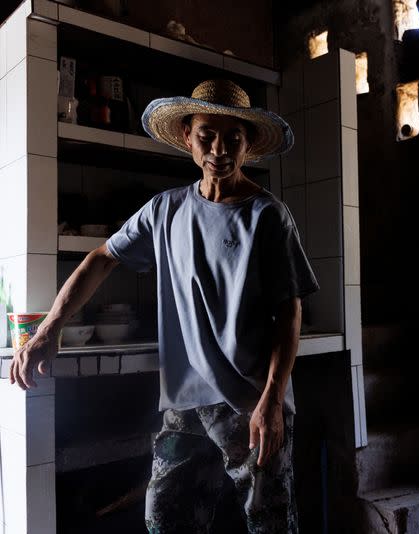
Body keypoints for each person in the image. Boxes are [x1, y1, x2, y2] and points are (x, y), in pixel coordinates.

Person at [9, 79, 318, 533]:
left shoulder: (267, 216)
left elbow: (288, 313)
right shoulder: (164, 210)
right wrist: (50, 327)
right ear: (189, 138)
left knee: (268, 523)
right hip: (184, 404)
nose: (219, 149)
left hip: (250, 402)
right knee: (166, 517)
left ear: (248, 144)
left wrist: (273, 400)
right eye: (207, 135)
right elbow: (101, 258)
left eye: (233, 138)